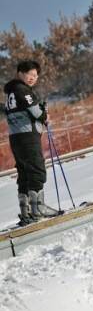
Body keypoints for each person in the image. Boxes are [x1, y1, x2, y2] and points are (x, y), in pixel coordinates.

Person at [4, 60, 58, 225]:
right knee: (37, 169)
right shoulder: (22, 90)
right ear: (20, 73)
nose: (33, 78)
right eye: (30, 74)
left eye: (35, 75)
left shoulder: (11, 92)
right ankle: (38, 208)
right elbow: (36, 113)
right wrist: (44, 116)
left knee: (24, 171)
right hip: (27, 136)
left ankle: (25, 210)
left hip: (15, 137)